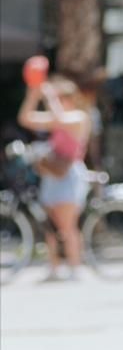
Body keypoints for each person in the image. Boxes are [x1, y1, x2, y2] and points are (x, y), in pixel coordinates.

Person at [16, 70, 95, 282]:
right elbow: (25, 118)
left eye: (60, 98)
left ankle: (75, 267)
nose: (55, 102)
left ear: (70, 99)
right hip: (52, 174)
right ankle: (54, 267)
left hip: (70, 175)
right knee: (50, 225)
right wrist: (34, 94)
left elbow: (60, 118)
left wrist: (49, 95)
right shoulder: (57, 119)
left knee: (67, 225)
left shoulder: (79, 118)